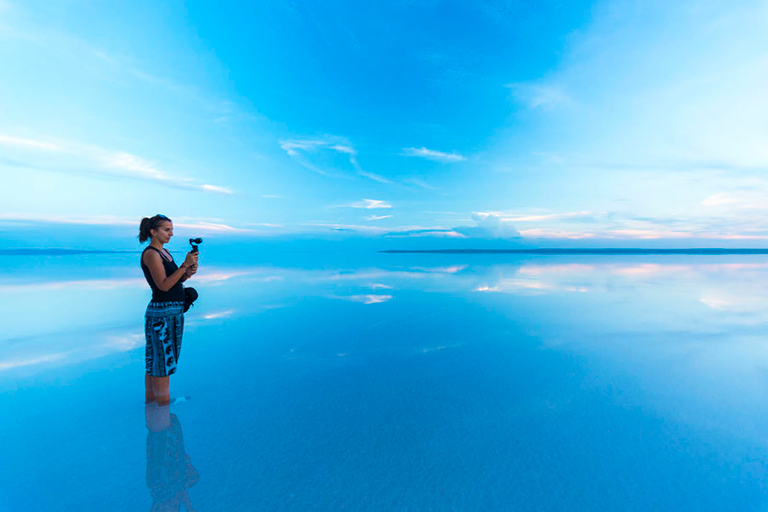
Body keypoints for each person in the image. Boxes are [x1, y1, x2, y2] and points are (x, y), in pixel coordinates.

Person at [139, 214, 198, 406]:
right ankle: (163, 408)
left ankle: (152, 404)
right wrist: (184, 266)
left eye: (171, 230)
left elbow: (175, 281)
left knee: (158, 359)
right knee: (162, 361)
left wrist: (187, 272)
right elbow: (163, 286)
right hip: (161, 314)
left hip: (172, 312)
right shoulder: (151, 254)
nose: (171, 234)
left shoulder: (165, 253)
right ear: (153, 231)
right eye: (167, 230)